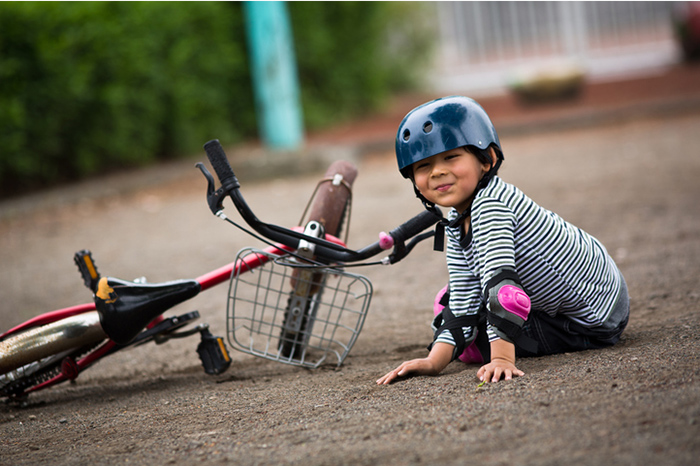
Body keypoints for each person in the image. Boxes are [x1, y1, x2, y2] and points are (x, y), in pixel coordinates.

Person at [377, 96, 629, 385]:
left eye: (450, 157)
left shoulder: (491, 205)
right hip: (588, 303)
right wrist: (433, 361)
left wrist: (501, 359)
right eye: (423, 166)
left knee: (477, 334)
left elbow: (502, 288)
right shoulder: (456, 219)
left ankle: (486, 346)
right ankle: (472, 343)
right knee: (449, 304)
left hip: (592, 319)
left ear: (487, 160)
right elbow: (463, 294)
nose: (437, 172)